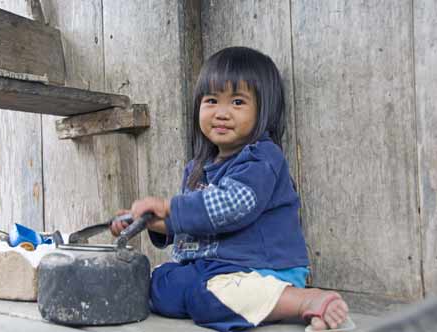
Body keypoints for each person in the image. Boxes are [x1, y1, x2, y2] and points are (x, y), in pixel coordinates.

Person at [111, 46, 350, 332]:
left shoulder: (262, 158)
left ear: (263, 110)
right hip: (210, 269)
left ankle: (301, 301)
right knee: (159, 284)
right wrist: (143, 221)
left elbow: (233, 206)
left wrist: (167, 206)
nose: (222, 113)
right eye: (212, 100)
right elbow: (189, 225)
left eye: (237, 102)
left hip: (258, 270)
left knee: (208, 297)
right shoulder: (197, 168)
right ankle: (240, 303)